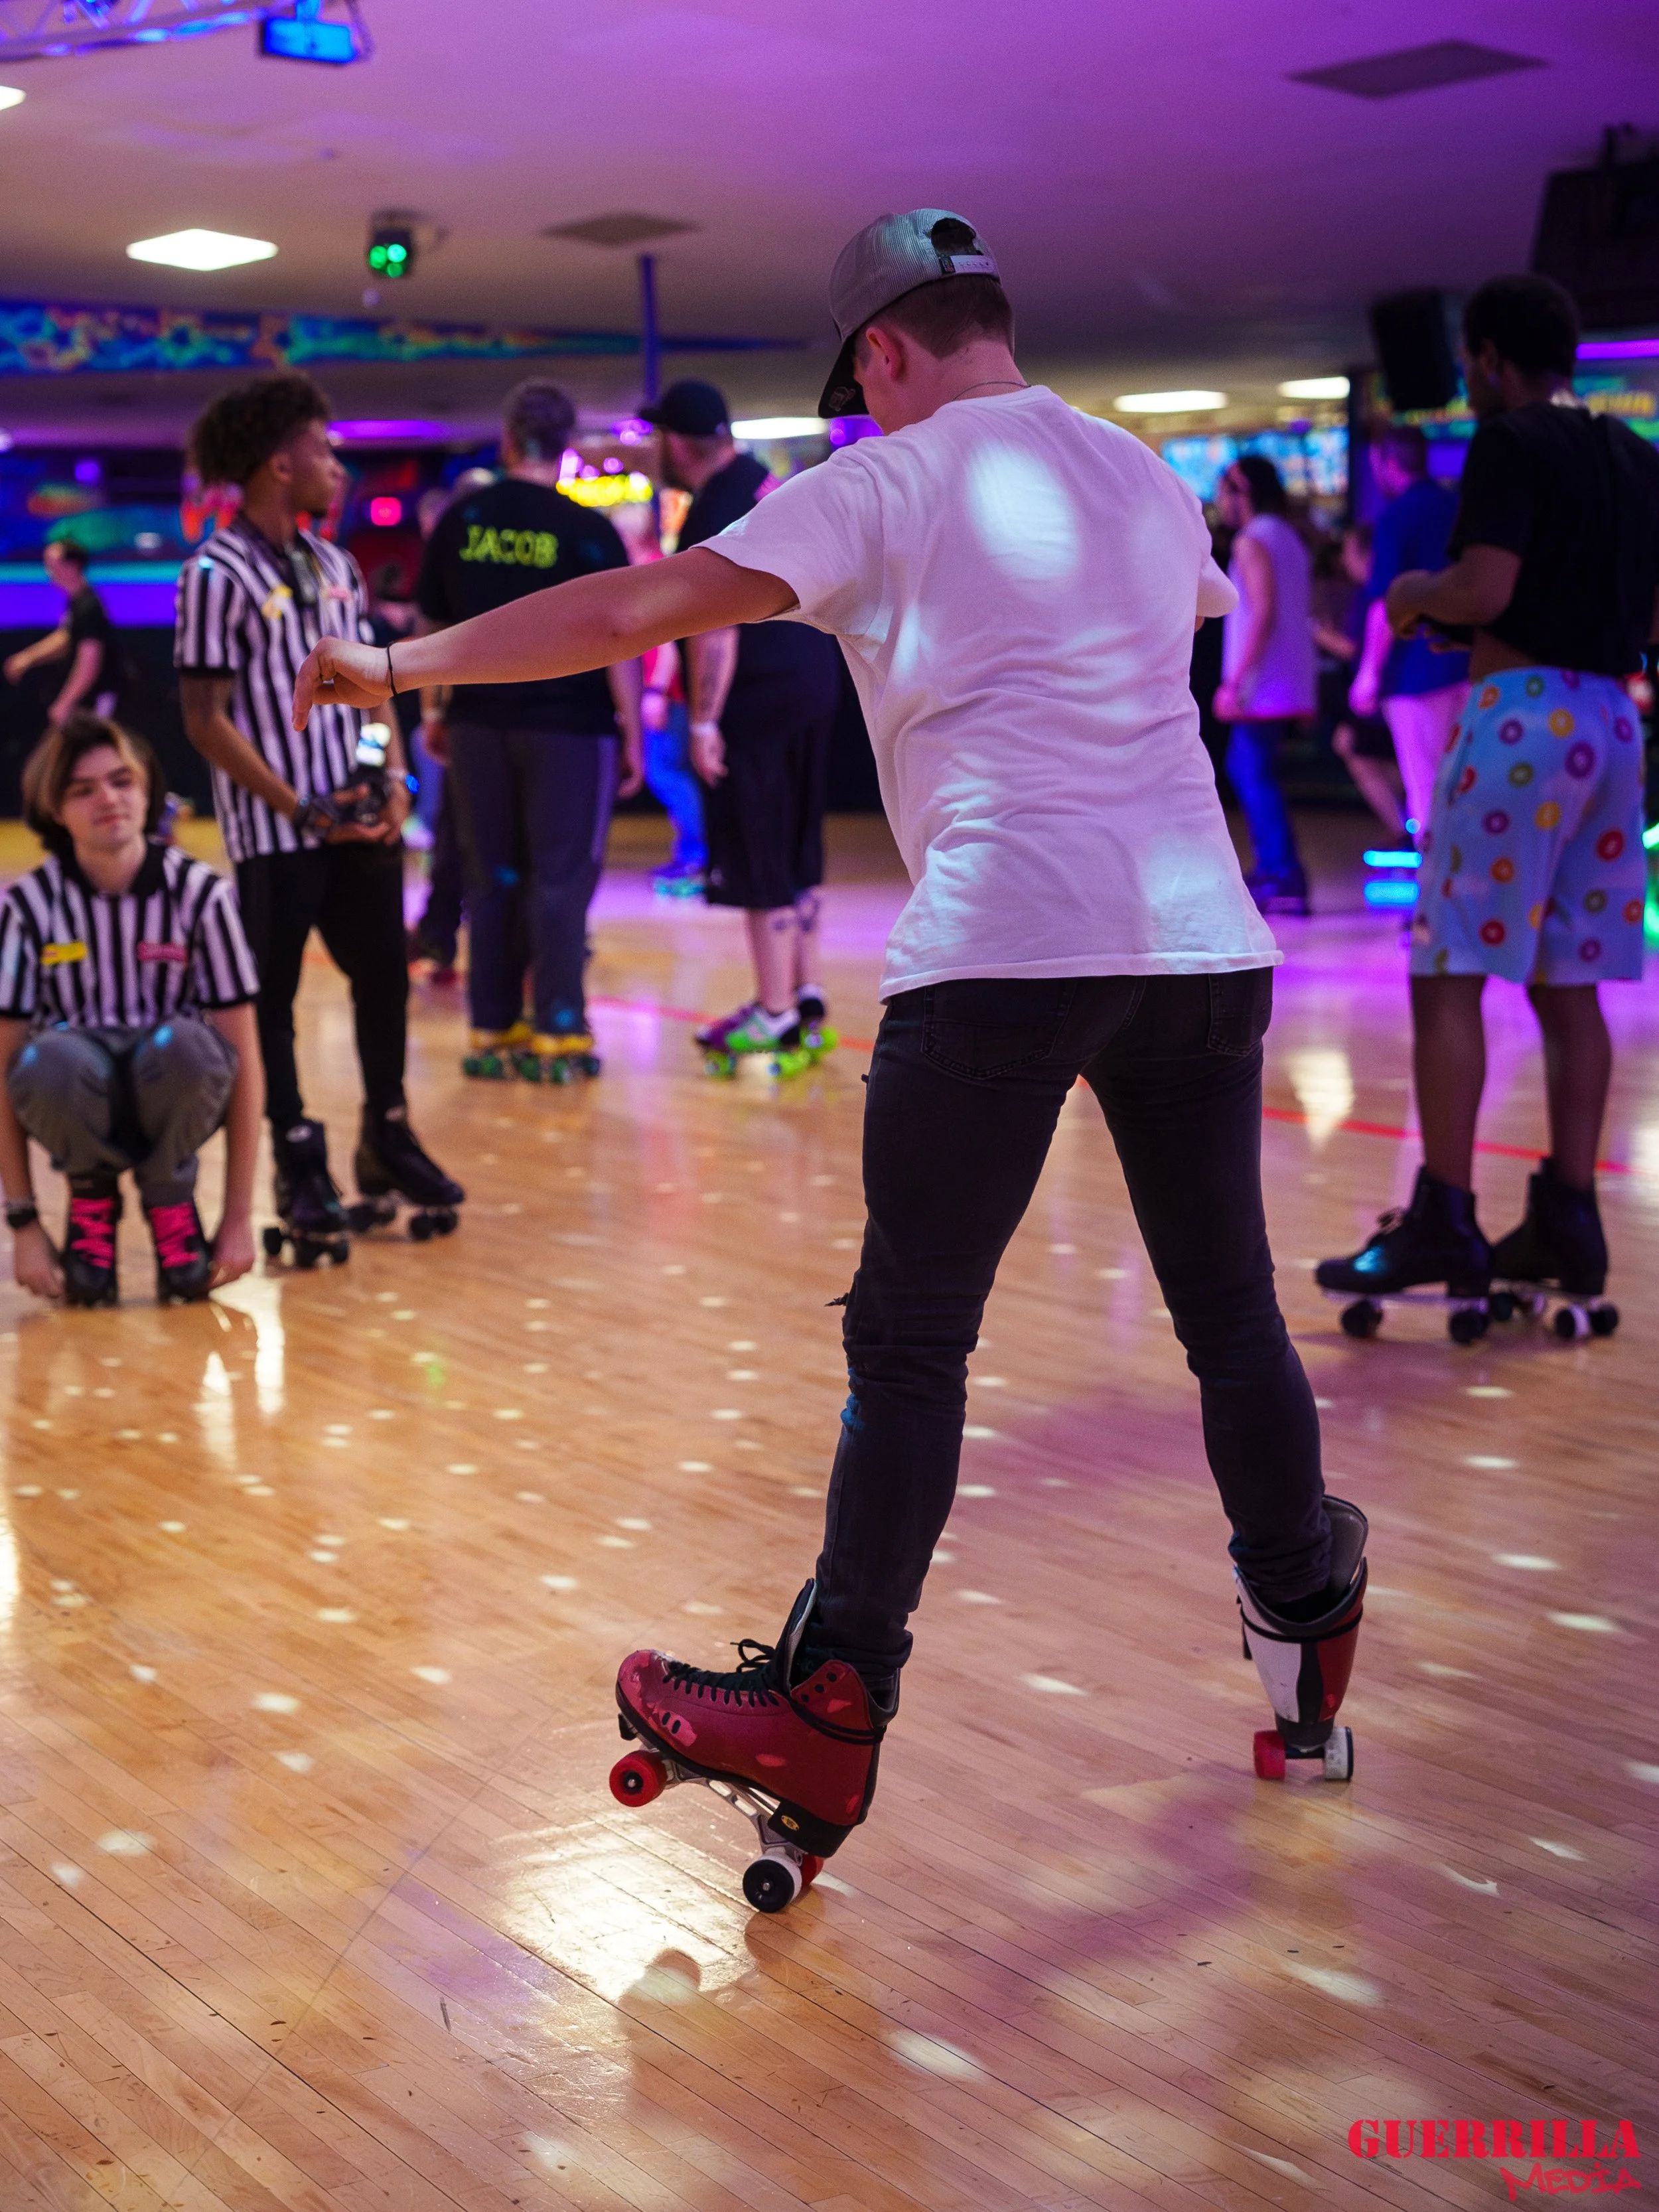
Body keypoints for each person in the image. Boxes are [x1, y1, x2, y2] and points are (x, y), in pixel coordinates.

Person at [295, 207, 1369, 1887]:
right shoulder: (1146, 476)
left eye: (860, 382)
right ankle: (1308, 1603)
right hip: (1201, 938)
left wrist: (392, 664)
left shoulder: (887, 476)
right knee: (1228, 1313)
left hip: (1008, 943)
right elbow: (1187, 633)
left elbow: (635, 606)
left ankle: (828, 1698)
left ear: (877, 352)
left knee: (911, 1345)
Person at [1318, 273, 1659, 1330]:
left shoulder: (1511, 443)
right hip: (1612, 720)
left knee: (1449, 970)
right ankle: (1568, 1219)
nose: (1469, 377)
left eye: (1473, 361)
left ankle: (1446, 1216)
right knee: (1573, 983)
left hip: (1519, 723)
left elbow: (1485, 593)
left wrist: (1412, 596)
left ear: (1495, 359)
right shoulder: (1638, 458)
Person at [175, 371, 461, 1252]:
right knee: (274, 1003)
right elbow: (202, 720)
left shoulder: (337, 567)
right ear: (277, 462)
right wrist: (298, 805)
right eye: (324, 450)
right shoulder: (214, 574)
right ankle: (298, 1160)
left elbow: (377, 690)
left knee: (385, 978)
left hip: (359, 825)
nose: (338, 465)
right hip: (276, 834)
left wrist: (392, 782)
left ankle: (385, 1133)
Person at [414, 382, 644, 1080]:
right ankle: (559, 1028)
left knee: (491, 878)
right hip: (569, 729)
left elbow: (432, 624)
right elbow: (618, 636)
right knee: (561, 878)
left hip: (480, 722)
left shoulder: (464, 519)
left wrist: (433, 709)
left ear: (508, 441)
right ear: (565, 449)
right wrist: (631, 727)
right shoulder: (587, 531)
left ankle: (492, 1027)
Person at [0, 713, 261, 1307]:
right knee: (49, 1060)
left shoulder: (203, 896)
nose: (109, 799)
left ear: (147, 791)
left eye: (122, 781)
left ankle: (171, 1198)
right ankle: (90, 1198)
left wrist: (241, 1215)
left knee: (191, 1047)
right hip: (75, 1096)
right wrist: (23, 1224)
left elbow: (245, 1060)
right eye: (83, 789)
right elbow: (4, 1067)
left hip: (173, 1093)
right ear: (55, 809)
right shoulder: (28, 907)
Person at [646, 378, 844, 1065]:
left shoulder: (712, 511)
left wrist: (702, 722)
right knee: (796, 846)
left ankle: (774, 1010)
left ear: (676, 441)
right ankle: (804, 989)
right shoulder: (769, 484)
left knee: (758, 850)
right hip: (815, 681)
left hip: (757, 697)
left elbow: (715, 629)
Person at [1347, 423, 1470, 842]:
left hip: (1415, 674)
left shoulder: (1396, 517)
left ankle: (1437, 902)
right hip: (1471, 666)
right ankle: (1473, 892)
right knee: (1468, 784)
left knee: (1427, 787)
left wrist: (1369, 674)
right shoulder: (1458, 506)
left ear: (1388, 463)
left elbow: (1386, 602)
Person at [1213, 456, 1316, 915]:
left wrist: (1235, 682)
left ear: (1243, 491)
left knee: (1249, 770)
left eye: (1223, 492)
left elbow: (1263, 611)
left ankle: (1282, 872)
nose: (1219, 503)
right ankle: (1280, 868)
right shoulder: (1288, 534)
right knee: (1255, 769)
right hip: (1289, 675)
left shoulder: (1252, 540)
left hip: (1263, 680)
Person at [1311, 522, 1410, 840]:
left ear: (1363, 552)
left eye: (1348, 551)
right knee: (1359, 749)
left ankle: (1407, 827)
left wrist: (1321, 635)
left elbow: (1360, 648)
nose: (1343, 559)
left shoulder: (1376, 596)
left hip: (1382, 693)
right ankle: (1408, 825)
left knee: (1356, 748)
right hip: (1382, 693)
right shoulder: (1368, 593)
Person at [3, 538, 123, 726]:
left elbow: (90, 659)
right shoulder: (77, 604)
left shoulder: (88, 607)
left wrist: (66, 702)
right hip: (88, 699)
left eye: (53, 564)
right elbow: (65, 638)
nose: (49, 571)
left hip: (98, 698)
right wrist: (27, 658)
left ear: (72, 565)